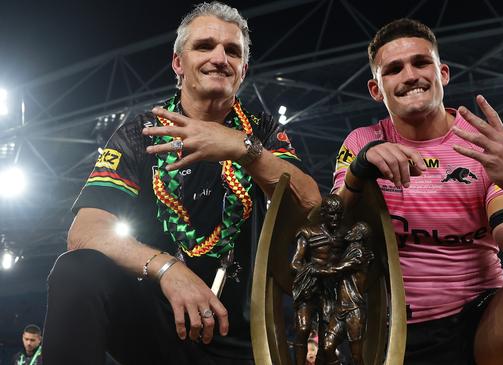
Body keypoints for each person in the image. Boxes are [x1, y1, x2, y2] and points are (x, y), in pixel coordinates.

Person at [42, 2, 320, 364]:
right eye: (205, 46)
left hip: (242, 340)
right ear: (178, 63)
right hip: (158, 330)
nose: (220, 58)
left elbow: (311, 206)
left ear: (243, 70)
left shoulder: (261, 132)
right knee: (76, 271)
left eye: (232, 51)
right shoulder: (140, 134)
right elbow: (85, 232)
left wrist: (243, 149)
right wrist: (166, 269)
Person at [332, 18, 503, 364]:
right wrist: (359, 170)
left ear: (443, 73)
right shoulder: (362, 142)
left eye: (421, 62)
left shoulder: (491, 145)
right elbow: (329, 233)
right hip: (391, 328)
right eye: (394, 69)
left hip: (480, 322)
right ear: (376, 89)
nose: (410, 75)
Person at [291, 195, 346, 365]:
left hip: (331, 290)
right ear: (323, 213)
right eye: (331, 214)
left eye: (338, 214)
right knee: (303, 328)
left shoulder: (344, 235)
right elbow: (295, 263)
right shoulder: (308, 233)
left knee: (326, 336)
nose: (335, 218)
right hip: (309, 288)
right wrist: (315, 270)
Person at [319, 222, 374, 365]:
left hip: (354, 309)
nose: (350, 230)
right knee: (328, 347)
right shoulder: (348, 250)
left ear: (360, 235)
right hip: (340, 308)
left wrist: (324, 269)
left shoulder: (359, 252)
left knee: (356, 356)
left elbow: (342, 267)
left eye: (355, 229)